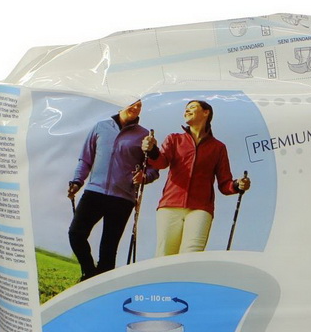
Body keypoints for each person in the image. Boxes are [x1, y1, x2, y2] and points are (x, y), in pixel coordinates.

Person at [141, 100, 251, 256]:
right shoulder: (174, 139)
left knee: (191, 256)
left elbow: (225, 183)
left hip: (200, 209)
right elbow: (161, 162)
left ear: (206, 113)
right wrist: (152, 150)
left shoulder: (218, 147)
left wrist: (237, 185)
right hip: (170, 205)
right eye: (185, 109)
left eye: (192, 107)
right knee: (164, 255)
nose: (186, 111)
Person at [67, 99, 159, 280]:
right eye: (133, 103)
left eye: (139, 105)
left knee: (109, 248)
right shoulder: (100, 127)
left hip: (123, 199)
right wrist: (77, 181)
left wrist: (144, 177)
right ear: (122, 102)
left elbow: (154, 169)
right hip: (94, 192)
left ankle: (101, 285)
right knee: (76, 234)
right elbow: (85, 159)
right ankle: (89, 273)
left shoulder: (144, 136)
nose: (136, 108)